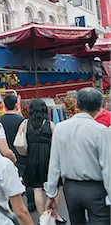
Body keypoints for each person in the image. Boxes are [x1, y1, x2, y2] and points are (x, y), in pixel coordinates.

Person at [45, 88, 111, 224]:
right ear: (100, 106)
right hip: (96, 190)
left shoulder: (60, 128)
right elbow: (107, 167)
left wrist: (51, 194)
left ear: (77, 105)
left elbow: (54, 164)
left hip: (71, 189)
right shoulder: (101, 131)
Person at [16, 99, 66, 222]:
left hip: (31, 158)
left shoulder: (25, 124)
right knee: (55, 187)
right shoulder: (50, 125)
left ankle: (42, 217)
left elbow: (19, 140)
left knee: (37, 189)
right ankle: (53, 214)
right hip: (48, 159)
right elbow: (57, 144)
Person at [0, 94, 35, 212]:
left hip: (5, 155)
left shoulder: (0, 121)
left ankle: (10, 205)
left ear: (4, 106)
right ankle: (30, 203)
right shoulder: (22, 120)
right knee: (27, 179)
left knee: (9, 180)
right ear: (16, 105)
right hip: (21, 154)